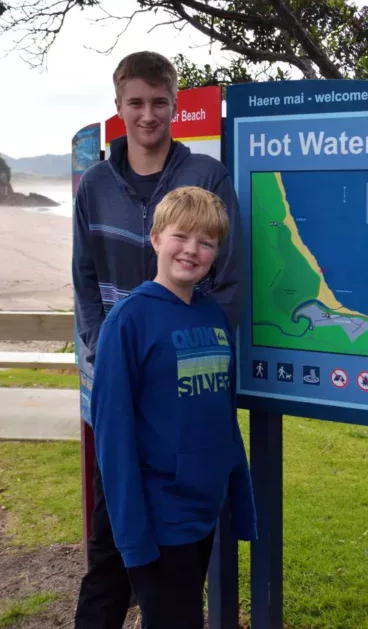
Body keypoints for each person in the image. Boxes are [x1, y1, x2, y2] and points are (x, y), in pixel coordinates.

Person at [71, 50, 245, 629]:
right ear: (119, 108)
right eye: (136, 103)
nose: (148, 114)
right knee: (111, 555)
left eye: (159, 102)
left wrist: (181, 350)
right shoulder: (94, 184)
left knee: (172, 581)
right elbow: (84, 279)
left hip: (180, 393)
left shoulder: (205, 177)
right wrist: (106, 352)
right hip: (117, 378)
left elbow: (228, 282)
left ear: (176, 105)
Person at [89, 186, 256, 629]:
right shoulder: (128, 322)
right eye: (182, 236)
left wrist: (239, 495)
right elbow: (113, 438)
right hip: (157, 517)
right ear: (157, 238)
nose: (192, 250)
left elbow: (222, 415)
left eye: (207, 242)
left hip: (202, 510)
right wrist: (132, 537)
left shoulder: (212, 317)